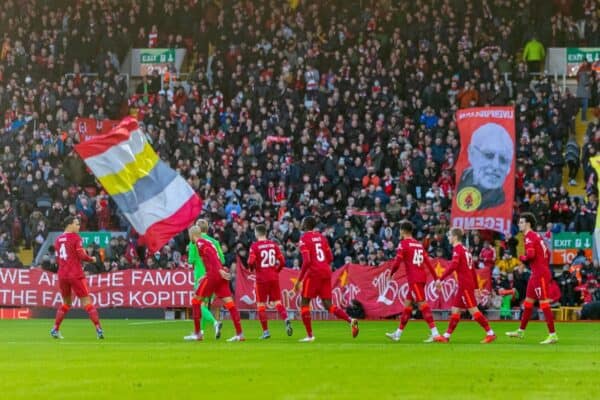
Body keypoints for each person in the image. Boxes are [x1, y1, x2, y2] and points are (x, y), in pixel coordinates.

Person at [292, 216, 359, 342]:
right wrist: (321, 265)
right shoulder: (322, 237)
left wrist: (300, 280)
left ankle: (310, 335)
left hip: (314, 273)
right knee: (328, 304)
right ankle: (351, 320)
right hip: (326, 272)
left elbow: (306, 261)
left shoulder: (304, 239)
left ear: (305, 225)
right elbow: (330, 257)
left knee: (305, 302)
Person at [385, 220, 445, 343]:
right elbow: (428, 262)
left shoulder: (403, 244)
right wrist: (436, 279)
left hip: (414, 279)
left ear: (402, 230)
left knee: (422, 304)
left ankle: (435, 333)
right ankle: (398, 333)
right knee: (407, 306)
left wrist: (391, 273)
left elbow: (397, 262)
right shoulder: (418, 244)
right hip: (421, 277)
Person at [437, 228, 496, 343]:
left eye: (449, 236)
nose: (448, 238)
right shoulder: (465, 250)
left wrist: (441, 279)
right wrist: (476, 287)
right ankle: (446, 336)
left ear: (454, 237)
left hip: (464, 285)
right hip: (465, 284)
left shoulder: (458, 249)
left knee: (473, 310)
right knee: (455, 309)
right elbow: (472, 269)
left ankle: (490, 333)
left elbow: (453, 265)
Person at [506, 213, 558, 344]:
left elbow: (530, 254)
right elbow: (548, 252)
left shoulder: (529, 236)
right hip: (537, 272)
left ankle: (553, 335)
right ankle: (521, 331)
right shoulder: (537, 236)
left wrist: (522, 259)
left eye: (521, 222)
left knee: (544, 303)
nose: (519, 224)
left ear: (528, 224)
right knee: (528, 303)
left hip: (539, 273)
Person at [188, 225, 245, 342]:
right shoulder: (209, 242)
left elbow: (212, 256)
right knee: (230, 304)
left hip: (214, 275)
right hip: (217, 274)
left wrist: (218, 270)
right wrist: (216, 272)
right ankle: (240, 334)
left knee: (195, 301)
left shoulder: (200, 243)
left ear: (192, 235)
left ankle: (198, 333)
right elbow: (214, 258)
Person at [50, 216, 103, 339]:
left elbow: (58, 259)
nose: (79, 226)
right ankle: (98, 329)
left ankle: (55, 329)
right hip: (76, 275)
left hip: (63, 275)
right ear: (69, 225)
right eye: (77, 224)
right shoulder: (75, 238)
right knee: (86, 302)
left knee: (67, 303)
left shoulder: (58, 240)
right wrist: (92, 259)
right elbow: (81, 255)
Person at [247, 224, 293, 339]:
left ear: (257, 233)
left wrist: (252, 269)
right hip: (273, 277)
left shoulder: (254, 246)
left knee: (261, 305)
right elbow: (282, 261)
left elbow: (251, 261)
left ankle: (266, 332)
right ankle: (286, 318)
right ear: (266, 233)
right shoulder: (273, 245)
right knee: (277, 302)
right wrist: (276, 271)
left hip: (261, 279)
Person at [456, 123, 514, 210]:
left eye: (503, 159)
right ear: (472, 154)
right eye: (489, 155)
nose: (496, 165)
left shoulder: (503, 203)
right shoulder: (458, 185)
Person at [184, 219, 223, 341]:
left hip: (201, 275)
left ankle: (213, 323)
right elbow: (222, 259)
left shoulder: (194, 243)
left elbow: (191, 260)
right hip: (214, 274)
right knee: (204, 305)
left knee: (199, 304)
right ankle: (200, 331)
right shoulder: (214, 242)